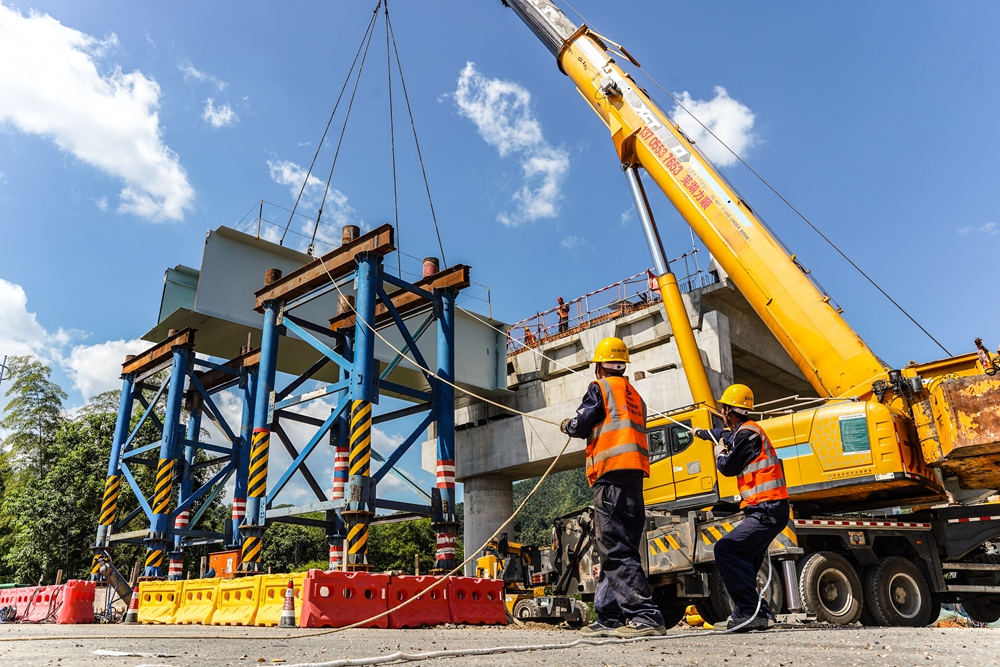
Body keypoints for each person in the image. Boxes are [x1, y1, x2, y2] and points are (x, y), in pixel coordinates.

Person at [560, 337, 666, 638]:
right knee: (616, 549)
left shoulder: (600, 389)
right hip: (634, 481)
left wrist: (568, 425)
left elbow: (580, 425)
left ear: (598, 366)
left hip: (611, 480)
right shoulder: (635, 396)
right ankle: (610, 616)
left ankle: (645, 615)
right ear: (623, 366)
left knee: (615, 549)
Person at [693, 384, 789, 632]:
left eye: (723, 408)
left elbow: (728, 467)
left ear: (727, 410)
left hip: (766, 508)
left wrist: (718, 453)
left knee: (726, 550)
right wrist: (705, 433)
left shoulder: (747, 436)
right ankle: (750, 613)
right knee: (743, 558)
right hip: (767, 508)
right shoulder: (746, 431)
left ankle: (750, 611)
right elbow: (724, 434)